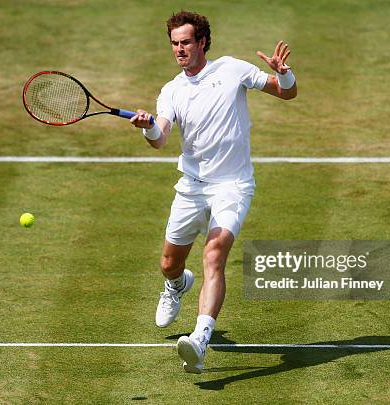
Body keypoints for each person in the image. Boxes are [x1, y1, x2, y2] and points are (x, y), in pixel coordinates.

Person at [130, 10, 297, 373]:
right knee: (169, 264)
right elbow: (160, 138)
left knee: (214, 253)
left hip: (232, 185)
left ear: (202, 41)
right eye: (174, 44)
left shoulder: (233, 69)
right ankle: (177, 285)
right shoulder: (171, 91)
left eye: (186, 42)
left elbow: (287, 94)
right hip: (191, 187)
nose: (179, 50)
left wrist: (284, 74)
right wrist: (146, 128)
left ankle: (200, 339)